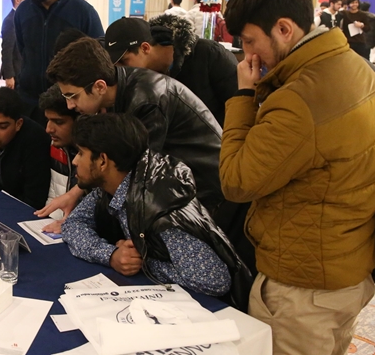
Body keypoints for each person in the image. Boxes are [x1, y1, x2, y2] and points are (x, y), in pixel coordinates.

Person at [221, 0, 375, 355]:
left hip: (303, 286)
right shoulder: (354, 65)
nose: (247, 54)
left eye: (250, 41)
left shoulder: (300, 97)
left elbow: (236, 180)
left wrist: (243, 97)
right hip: (349, 266)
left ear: (284, 28)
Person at [45, 36, 224, 213]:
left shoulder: (147, 100)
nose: (70, 105)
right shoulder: (110, 95)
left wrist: (80, 217)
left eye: (73, 96)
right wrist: (75, 195)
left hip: (208, 189)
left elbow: (132, 174)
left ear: (100, 87)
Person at [62, 113, 230, 296]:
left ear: (102, 161)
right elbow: (73, 224)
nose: (75, 161)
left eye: (81, 153)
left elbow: (213, 281)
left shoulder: (160, 207)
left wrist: (142, 262)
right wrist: (111, 255)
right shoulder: (109, 186)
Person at [15, 0, 103, 122]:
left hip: (68, 106)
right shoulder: (23, 11)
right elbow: (22, 50)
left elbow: (99, 59)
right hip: (29, 103)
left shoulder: (83, 12)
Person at [111, 14, 238, 126]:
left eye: (124, 61)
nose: (121, 70)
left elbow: (240, 107)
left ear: (145, 48)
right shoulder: (141, 79)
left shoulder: (208, 54)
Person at [39, 84, 78, 204]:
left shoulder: (98, 157)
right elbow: (54, 197)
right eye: (48, 120)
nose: (48, 129)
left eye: (59, 122)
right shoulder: (55, 146)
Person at [0, 0, 30, 89]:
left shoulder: (25, 18)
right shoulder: (10, 21)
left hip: (26, 71)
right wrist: (9, 76)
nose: (31, 0)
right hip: (17, 73)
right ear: (17, 0)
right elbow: (7, 50)